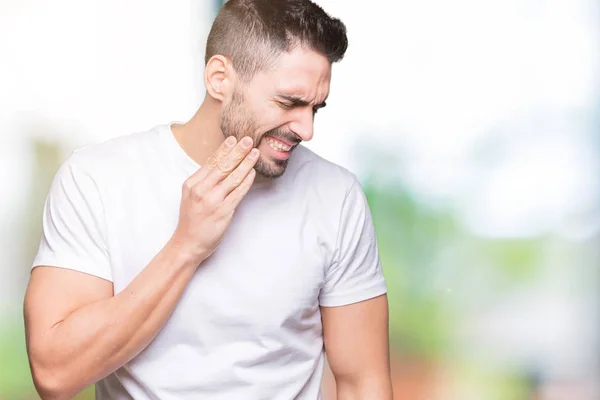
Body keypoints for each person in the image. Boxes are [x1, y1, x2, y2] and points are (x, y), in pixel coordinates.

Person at [24, 0, 393, 399]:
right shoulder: (96, 180)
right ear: (219, 78)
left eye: (316, 108)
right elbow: (55, 375)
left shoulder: (336, 197)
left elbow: (363, 382)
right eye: (289, 103)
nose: (306, 129)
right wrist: (187, 246)